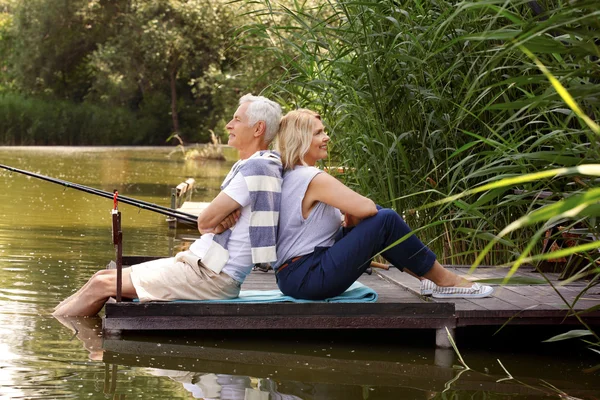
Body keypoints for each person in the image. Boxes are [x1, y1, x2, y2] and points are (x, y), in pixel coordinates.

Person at [53, 94, 283, 316]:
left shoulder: (256, 169)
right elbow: (210, 224)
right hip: (201, 266)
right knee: (101, 277)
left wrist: (215, 223)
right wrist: (216, 223)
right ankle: (57, 320)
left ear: (258, 128)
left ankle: (58, 330)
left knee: (102, 284)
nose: (228, 125)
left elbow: (204, 222)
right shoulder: (258, 166)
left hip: (211, 276)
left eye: (237, 119)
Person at [273, 109, 494, 300]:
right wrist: (355, 215)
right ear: (301, 139)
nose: (327, 137)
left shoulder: (292, 174)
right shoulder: (312, 178)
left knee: (376, 217)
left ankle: (429, 279)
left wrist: (352, 221)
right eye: (318, 133)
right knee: (383, 218)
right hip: (307, 277)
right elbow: (366, 208)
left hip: (295, 275)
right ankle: (446, 281)